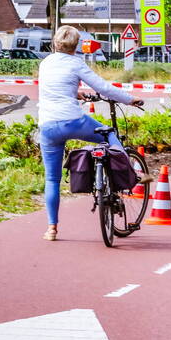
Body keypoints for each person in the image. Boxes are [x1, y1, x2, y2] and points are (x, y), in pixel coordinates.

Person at [37, 25, 144, 241]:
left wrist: (74, 93)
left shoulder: (45, 63)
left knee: (51, 179)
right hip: (72, 121)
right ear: (76, 46)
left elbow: (53, 88)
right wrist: (129, 99)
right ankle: (131, 173)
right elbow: (103, 87)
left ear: (55, 43)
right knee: (109, 134)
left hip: (47, 125)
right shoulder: (76, 63)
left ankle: (52, 229)